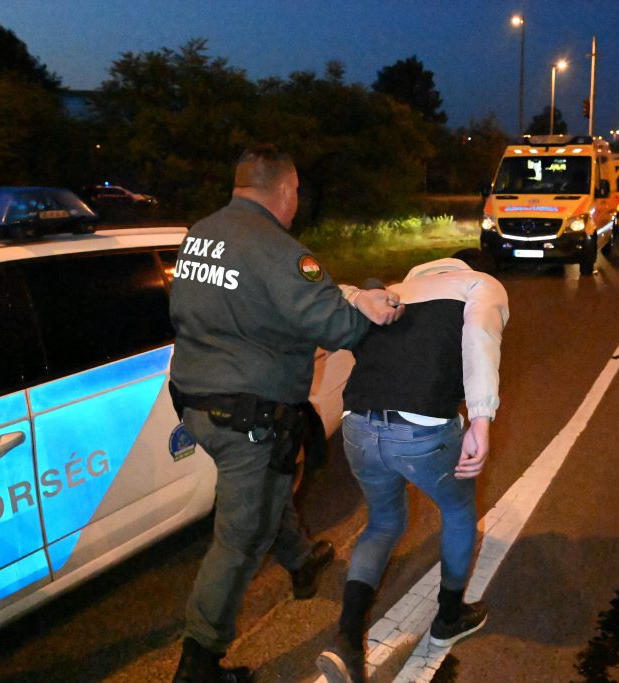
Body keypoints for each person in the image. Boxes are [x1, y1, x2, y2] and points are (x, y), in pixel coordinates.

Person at [168, 144, 404, 683]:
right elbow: (339, 327)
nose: (296, 200)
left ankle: (300, 561)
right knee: (240, 538)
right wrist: (371, 297)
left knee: (267, 489)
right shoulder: (279, 250)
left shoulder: (200, 233)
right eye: (296, 191)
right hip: (245, 418)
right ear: (284, 190)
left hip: (196, 402)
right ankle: (198, 664)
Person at [315, 258, 510, 683]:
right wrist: (480, 420)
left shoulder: (389, 292)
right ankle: (449, 617)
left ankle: (346, 640)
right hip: (422, 431)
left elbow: (324, 297)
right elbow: (480, 339)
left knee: (383, 523)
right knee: (458, 511)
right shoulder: (478, 284)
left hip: (358, 425)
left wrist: (354, 294)